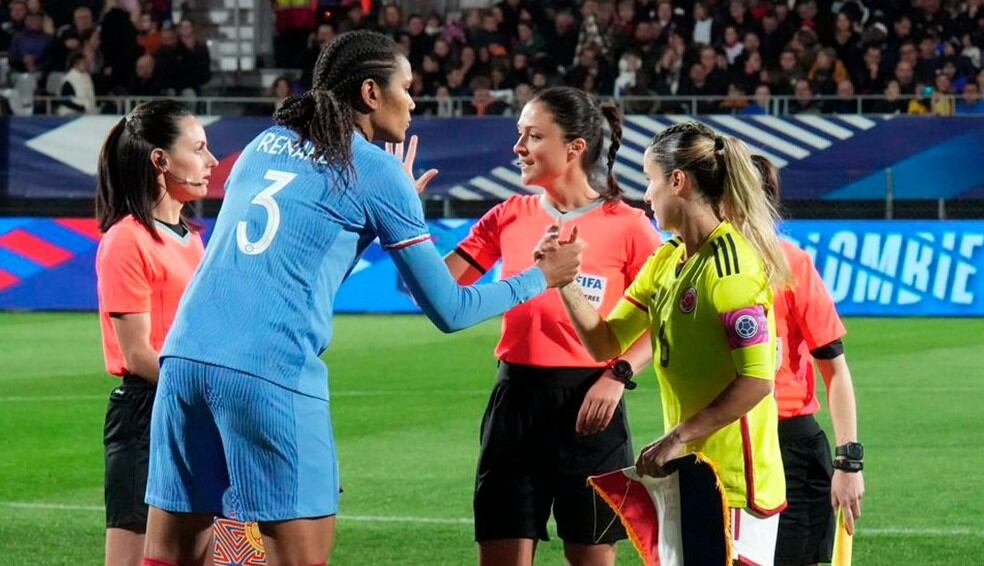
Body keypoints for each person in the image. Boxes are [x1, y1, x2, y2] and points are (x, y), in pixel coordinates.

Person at [141, 30, 584, 566]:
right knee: (300, 556)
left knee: (169, 554)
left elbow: (301, 264)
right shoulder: (374, 170)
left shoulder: (264, 143)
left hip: (184, 360)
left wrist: (376, 221)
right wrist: (542, 276)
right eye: (408, 86)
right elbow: (449, 309)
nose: (415, 100)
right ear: (371, 94)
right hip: (269, 371)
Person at [442, 86, 662, 566]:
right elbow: (439, 288)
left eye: (533, 136)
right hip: (515, 403)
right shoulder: (507, 216)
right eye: (519, 134)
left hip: (591, 407)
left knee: (590, 553)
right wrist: (401, 217)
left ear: (574, 147)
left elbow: (664, 322)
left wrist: (618, 374)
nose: (518, 147)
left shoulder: (630, 225)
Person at [554, 121, 791, 566]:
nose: (645, 194)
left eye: (650, 180)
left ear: (677, 181)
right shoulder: (668, 259)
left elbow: (757, 380)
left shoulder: (732, 267)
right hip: (689, 472)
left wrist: (678, 437)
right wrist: (564, 283)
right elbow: (606, 342)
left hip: (736, 485)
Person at [94, 100, 218, 566]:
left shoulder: (192, 237)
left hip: (191, 411)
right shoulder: (125, 240)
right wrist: (211, 391)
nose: (210, 161)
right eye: (199, 148)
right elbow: (138, 353)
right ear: (160, 160)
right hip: (148, 416)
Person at [751, 155, 864, 566]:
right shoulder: (691, 263)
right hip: (722, 443)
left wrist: (848, 462)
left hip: (788, 447)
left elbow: (834, 367)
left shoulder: (791, 264)